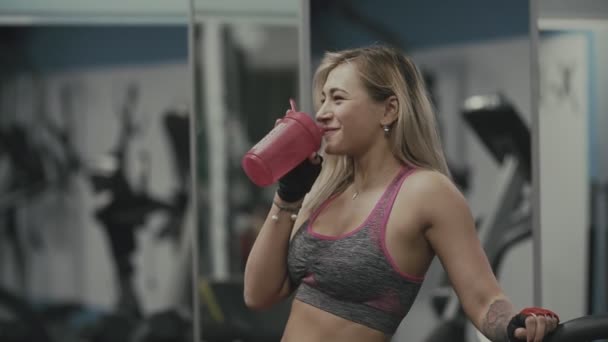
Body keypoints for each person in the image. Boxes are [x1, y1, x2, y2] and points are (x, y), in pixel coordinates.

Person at [243, 45, 559, 342]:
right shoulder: (326, 190)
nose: (322, 112)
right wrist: (288, 196)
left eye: (337, 99)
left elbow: (484, 299)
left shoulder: (426, 191)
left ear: (389, 110)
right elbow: (258, 294)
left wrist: (516, 323)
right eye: (322, 99)